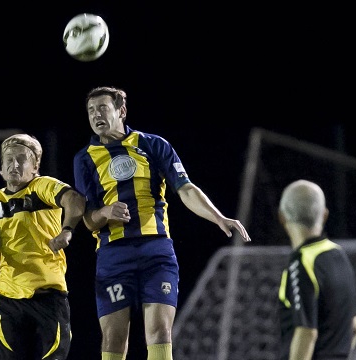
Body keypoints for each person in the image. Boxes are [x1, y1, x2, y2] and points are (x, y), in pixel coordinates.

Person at [73, 86, 251, 360]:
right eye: (91, 110)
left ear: (121, 111)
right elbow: (89, 220)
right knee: (114, 338)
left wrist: (218, 216)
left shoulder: (153, 145)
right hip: (113, 254)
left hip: (156, 252)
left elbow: (186, 188)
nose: (96, 115)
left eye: (103, 108)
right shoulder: (84, 159)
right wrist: (106, 213)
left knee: (159, 332)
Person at [0, 133, 86, 360]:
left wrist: (67, 230)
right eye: (9, 159)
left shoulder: (42, 187)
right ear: (2, 165)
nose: (14, 165)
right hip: (9, 299)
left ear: (35, 165)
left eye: (21, 159)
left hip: (48, 296)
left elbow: (74, 199)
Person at [278, 179, 356, 360]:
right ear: (324, 215)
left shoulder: (301, 262)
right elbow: (354, 328)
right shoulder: (340, 256)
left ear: (282, 217)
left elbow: (306, 333)